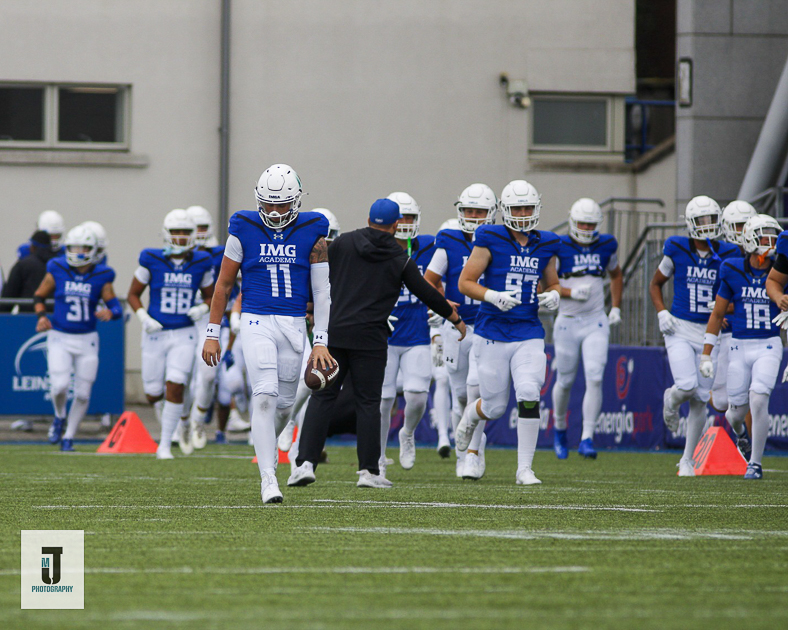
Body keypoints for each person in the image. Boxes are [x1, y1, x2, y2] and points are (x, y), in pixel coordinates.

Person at [290, 198, 465, 489]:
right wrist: (453, 316)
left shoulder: (343, 243)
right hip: (370, 339)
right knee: (368, 403)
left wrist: (306, 306)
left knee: (323, 397)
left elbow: (317, 275)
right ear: (396, 225)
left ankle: (304, 464)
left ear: (369, 219)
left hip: (335, 332)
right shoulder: (399, 257)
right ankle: (368, 471)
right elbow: (424, 291)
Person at [202, 164, 334, 504]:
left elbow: (322, 293)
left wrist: (320, 341)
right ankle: (268, 479)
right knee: (264, 395)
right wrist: (213, 332)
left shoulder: (313, 231)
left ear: (296, 201)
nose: (274, 212)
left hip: (294, 323)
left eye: (281, 204)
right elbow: (224, 285)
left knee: (285, 406)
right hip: (256, 320)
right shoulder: (242, 228)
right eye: (268, 204)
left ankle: (268, 450)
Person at [455, 179, 561, 485]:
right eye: (518, 208)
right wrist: (492, 296)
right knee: (494, 407)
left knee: (529, 392)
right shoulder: (490, 237)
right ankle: (470, 415)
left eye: (528, 207)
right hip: (492, 331)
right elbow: (465, 283)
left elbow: (553, 282)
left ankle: (524, 469)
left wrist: (555, 294)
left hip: (528, 330)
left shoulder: (546, 242)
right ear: (505, 210)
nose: (524, 214)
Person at [649, 195, 740, 476]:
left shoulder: (729, 252)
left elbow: (738, 295)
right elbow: (655, 283)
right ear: (690, 223)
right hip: (679, 328)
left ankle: (687, 459)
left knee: (701, 398)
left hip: (710, 332)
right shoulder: (676, 247)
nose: (707, 225)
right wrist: (661, 312)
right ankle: (671, 400)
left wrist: (725, 308)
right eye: (702, 220)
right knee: (687, 386)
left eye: (711, 219)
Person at [128, 209, 215, 460]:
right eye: (176, 231)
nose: (180, 237)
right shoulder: (151, 258)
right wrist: (144, 318)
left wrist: (202, 308)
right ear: (166, 233)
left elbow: (211, 296)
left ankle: (165, 444)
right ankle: (180, 423)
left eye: (185, 232)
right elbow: (133, 294)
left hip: (184, 333)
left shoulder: (201, 261)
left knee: (176, 384)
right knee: (153, 392)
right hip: (155, 334)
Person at [424, 185, 498, 480]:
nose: (473, 216)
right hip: (456, 327)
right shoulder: (449, 240)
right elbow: (428, 280)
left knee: (476, 389)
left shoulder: (499, 241)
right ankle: (461, 452)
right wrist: (442, 303)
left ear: (491, 213)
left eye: (479, 211)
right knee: (461, 398)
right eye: (469, 211)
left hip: (487, 326)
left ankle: (473, 454)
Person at [704, 215, 782, 480]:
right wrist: (706, 353)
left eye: (773, 236)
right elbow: (717, 313)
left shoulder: (782, 270)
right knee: (734, 413)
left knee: (759, 398)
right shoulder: (731, 268)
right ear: (749, 239)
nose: (770, 242)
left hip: (769, 343)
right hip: (738, 345)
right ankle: (741, 434)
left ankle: (755, 464)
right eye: (764, 236)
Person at [33, 225, 123, 449]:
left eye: (83, 248)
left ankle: (69, 437)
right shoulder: (57, 267)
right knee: (59, 387)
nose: (78, 252)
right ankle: (59, 416)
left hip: (87, 339)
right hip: (60, 336)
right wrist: (41, 316)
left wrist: (111, 312)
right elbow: (39, 295)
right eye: (74, 247)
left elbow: (116, 306)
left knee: (83, 394)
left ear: (93, 250)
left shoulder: (102, 274)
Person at [551, 198, 623, 460]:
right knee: (565, 380)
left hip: (595, 320)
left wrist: (616, 307)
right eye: (582, 223)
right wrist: (569, 292)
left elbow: (616, 274)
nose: (586, 228)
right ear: (572, 221)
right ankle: (560, 429)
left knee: (595, 376)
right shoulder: (558, 246)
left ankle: (587, 438)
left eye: (591, 224)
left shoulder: (607, 244)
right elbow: (543, 285)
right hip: (568, 320)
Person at [376, 191, 439, 475]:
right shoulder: (375, 248)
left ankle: (408, 433)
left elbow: (440, 282)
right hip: (384, 334)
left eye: (410, 217)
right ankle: (377, 456)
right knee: (382, 400)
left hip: (417, 332)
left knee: (417, 396)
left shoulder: (429, 246)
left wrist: (439, 306)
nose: (405, 223)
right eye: (400, 217)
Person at [184, 205, 227, 449]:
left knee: (209, 375)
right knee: (183, 377)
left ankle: (198, 420)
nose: (198, 233)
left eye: (202, 227)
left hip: (209, 318)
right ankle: (182, 424)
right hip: (181, 321)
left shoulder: (220, 253)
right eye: (194, 227)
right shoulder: (173, 256)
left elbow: (229, 287)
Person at [711, 201, 757, 416]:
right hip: (727, 332)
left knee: (753, 393)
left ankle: (747, 438)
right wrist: (719, 312)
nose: (743, 230)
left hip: (756, 333)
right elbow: (713, 299)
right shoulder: (720, 256)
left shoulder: (763, 256)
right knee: (721, 401)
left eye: (747, 224)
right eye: (739, 225)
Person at [1, 231, 53, 312]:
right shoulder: (58, 265)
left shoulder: (23, 265)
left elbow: (9, 295)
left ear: (32, 246)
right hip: (55, 316)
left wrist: (3, 313)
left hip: (27, 316)